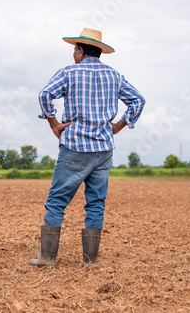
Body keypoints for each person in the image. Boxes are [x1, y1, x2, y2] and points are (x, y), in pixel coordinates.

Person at [30, 28, 145, 268]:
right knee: (95, 203)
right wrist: (119, 126)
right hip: (104, 149)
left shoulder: (69, 72)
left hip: (75, 146)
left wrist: (53, 123)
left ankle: (48, 258)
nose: (74, 54)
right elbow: (138, 100)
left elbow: (45, 95)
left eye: (75, 49)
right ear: (99, 52)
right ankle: (89, 261)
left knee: (56, 201)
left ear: (80, 50)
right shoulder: (115, 76)